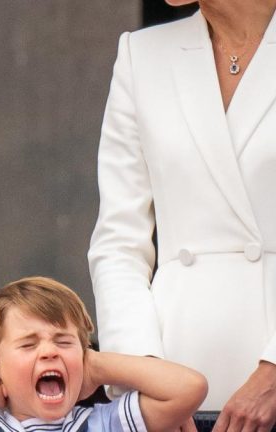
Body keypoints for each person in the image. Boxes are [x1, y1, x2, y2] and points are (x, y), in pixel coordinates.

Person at [88, 0, 276, 430]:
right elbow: (118, 243)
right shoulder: (143, 55)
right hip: (179, 377)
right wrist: (144, 380)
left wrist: (274, 373)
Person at [0, 276, 208, 432]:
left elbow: (188, 387)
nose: (48, 352)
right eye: (28, 345)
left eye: (64, 342)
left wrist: (97, 366)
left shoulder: (106, 422)